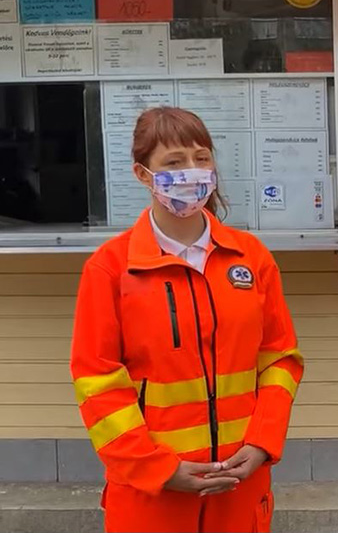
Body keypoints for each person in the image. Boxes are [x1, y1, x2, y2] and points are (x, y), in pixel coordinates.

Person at [70, 107, 303, 533]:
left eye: (201, 158)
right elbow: (97, 382)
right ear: (143, 175)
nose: (192, 172)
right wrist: (157, 469)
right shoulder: (110, 269)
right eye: (174, 163)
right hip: (150, 497)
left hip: (239, 485)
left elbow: (280, 360)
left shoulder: (251, 259)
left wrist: (262, 443)